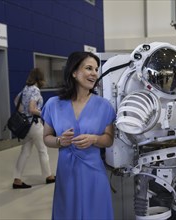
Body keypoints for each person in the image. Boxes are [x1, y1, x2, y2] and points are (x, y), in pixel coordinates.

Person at [41, 51, 116, 219]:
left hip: (94, 174)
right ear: (74, 72)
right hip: (66, 175)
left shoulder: (104, 106)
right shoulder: (54, 104)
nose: (94, 73)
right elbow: (46, 138)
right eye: (89, 68)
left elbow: (109, 139)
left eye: (96, 69)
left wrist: (95, 139)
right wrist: (60, 141)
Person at [12, 68, 56, 189]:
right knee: (42, 150)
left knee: (25, 152)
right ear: (39, 78)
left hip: (26, 126)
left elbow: (16, 101)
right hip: (35, 125)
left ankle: (17, 179)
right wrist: (44, 114)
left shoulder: (25, 89)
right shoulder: (35, 90)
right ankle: (49, 177)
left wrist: (24, 113)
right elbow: (32, 109)